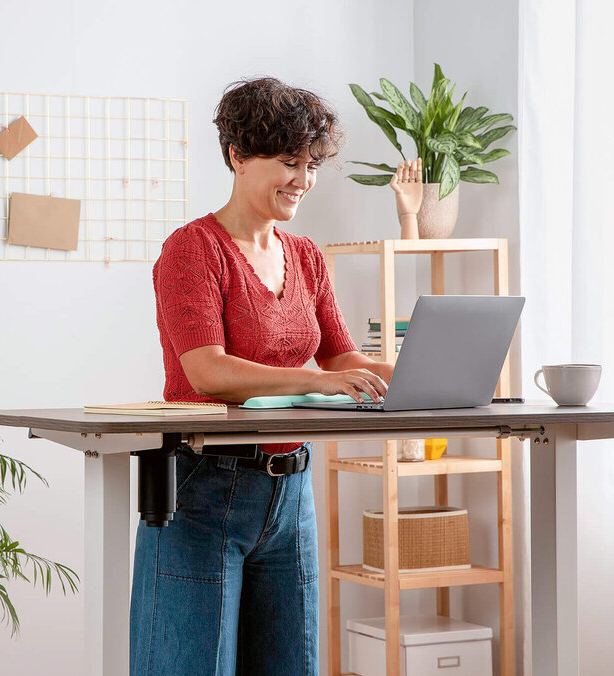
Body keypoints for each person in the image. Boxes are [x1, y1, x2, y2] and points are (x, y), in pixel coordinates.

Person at [130, 77, 395, 676]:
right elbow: (207, 370)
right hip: (202, 490)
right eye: (288, 162)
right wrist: (317, 384)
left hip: (291, 494)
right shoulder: (192, 249)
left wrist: (417, 374)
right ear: (237, 156)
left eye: (310, 164)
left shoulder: (305, 256)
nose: (303, 179)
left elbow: (340, 358)